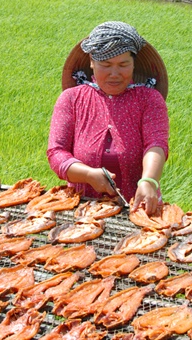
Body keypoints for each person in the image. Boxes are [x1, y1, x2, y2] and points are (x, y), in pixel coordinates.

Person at [47, 21, 169, 216]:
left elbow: (156, 144)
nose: (115, 74)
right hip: (81, 208)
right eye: (106, 65)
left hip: (140, 207)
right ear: (91, 63)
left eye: (123, 65)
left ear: (134, 63)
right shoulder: (71, 99)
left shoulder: (149, 99)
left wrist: (149, 181)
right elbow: (56, 152)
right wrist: (88, 174)